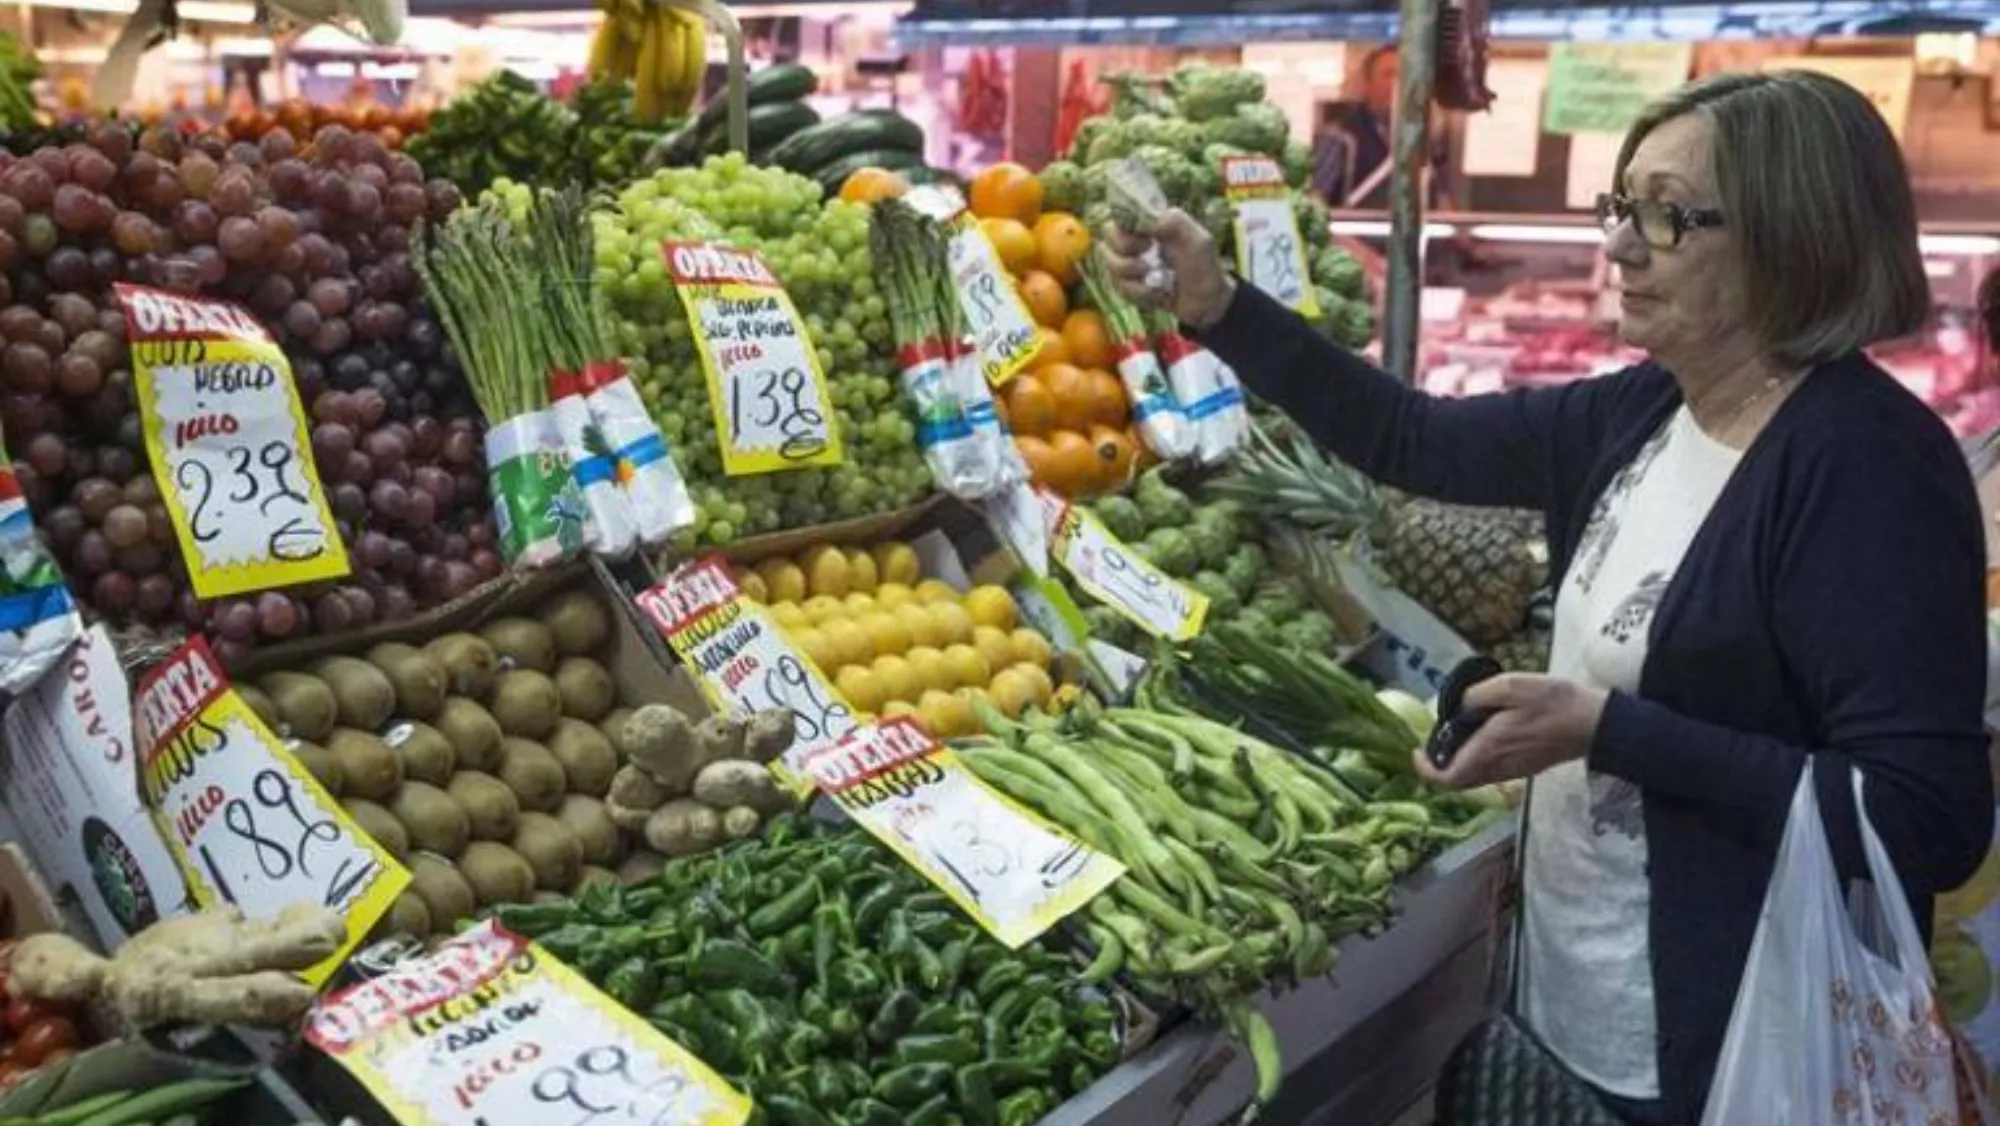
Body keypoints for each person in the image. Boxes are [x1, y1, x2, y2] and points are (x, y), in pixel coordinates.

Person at [1108, 70, 1994, 1123]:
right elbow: (1411, 439)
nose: (1616, 246)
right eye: (1618, 207)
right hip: (1575, 997)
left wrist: (1607, 729)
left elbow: (1923, 818)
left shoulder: (1866, 469)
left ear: (1785, 235)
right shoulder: (1650, 410)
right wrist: (1216, 308)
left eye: (1663, 215)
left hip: (1733, 1043)